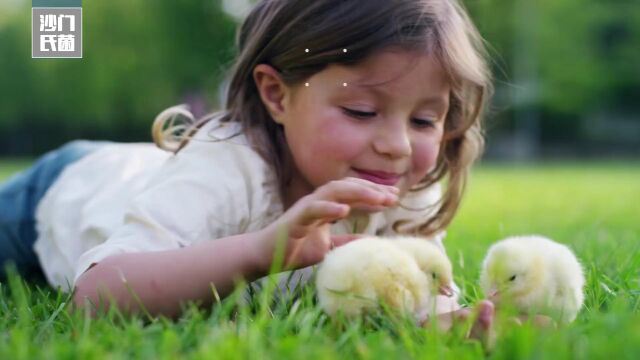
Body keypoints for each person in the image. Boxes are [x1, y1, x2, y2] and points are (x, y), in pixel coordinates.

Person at [0, 0, 494, 330]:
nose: (398, 146)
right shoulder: (225, 171)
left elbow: (419, 293)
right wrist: (263, 250)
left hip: (148, 173)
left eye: (425, 120)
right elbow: (95, 297)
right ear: (277, 95)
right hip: (58, 196)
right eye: (361, 111)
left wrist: (444, 321)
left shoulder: (401, 186)